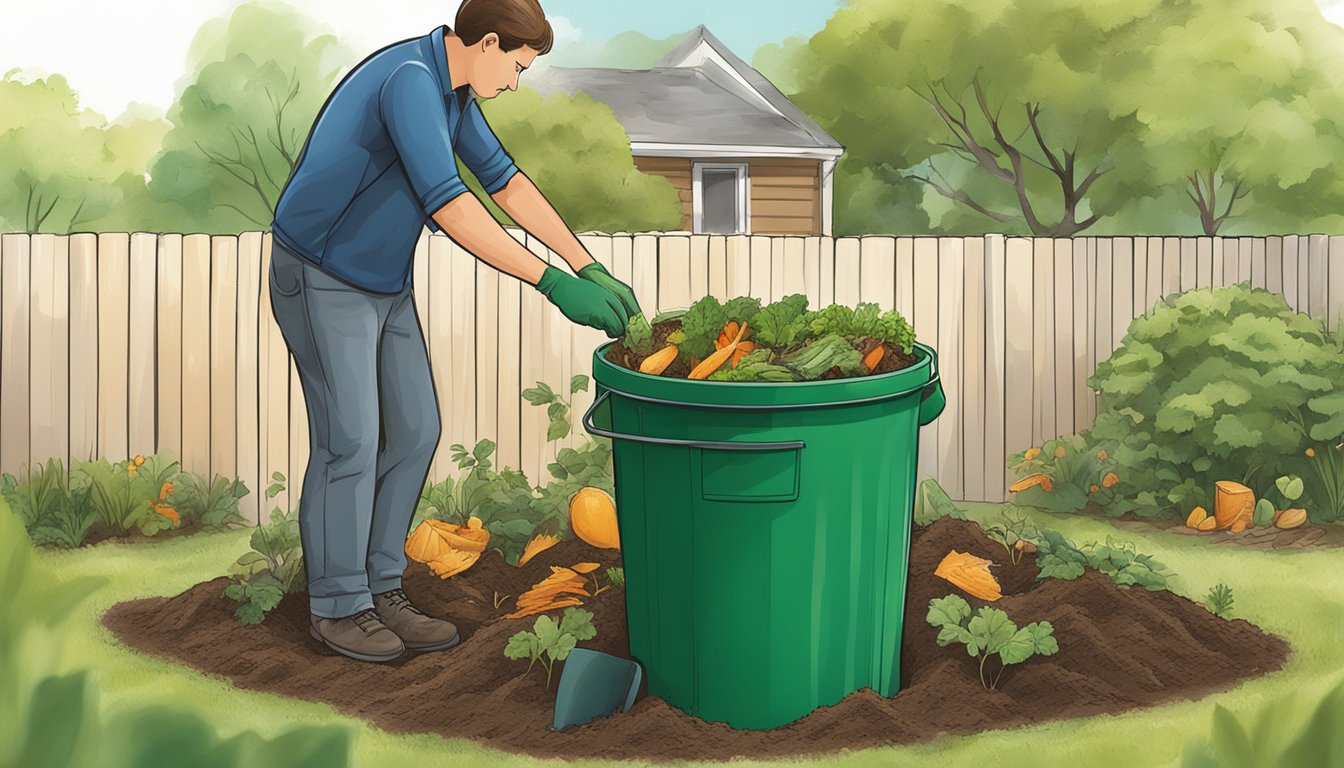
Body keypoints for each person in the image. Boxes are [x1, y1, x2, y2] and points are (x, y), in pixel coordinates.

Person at [267, 0, 642, 664]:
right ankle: (337, 605)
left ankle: (381, 589)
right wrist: (552, 283)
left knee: (414, 431)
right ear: (488, 42)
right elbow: (451, 204)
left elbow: (505, 183)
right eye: (518, 67)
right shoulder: (410, 81)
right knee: (349, 441)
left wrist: (587, 263)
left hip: (380, 281)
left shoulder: (453, 93)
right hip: (320, 273)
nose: (516, 82)